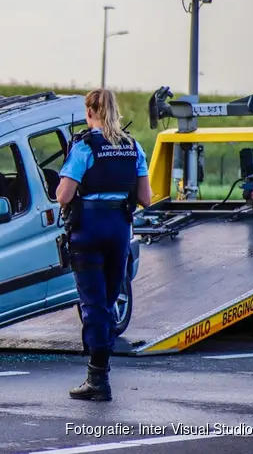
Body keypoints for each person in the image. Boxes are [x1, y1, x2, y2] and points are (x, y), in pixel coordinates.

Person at [56, 88, 151, 401]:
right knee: (109, 300)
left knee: (93, 303)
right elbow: (145, 198)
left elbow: (64, 195)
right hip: (119, 228)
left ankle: (98, 378)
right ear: (116, 112)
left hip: (89, 228)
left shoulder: (85, 147)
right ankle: (101, 370)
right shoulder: (133, 146)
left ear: (89, 113)